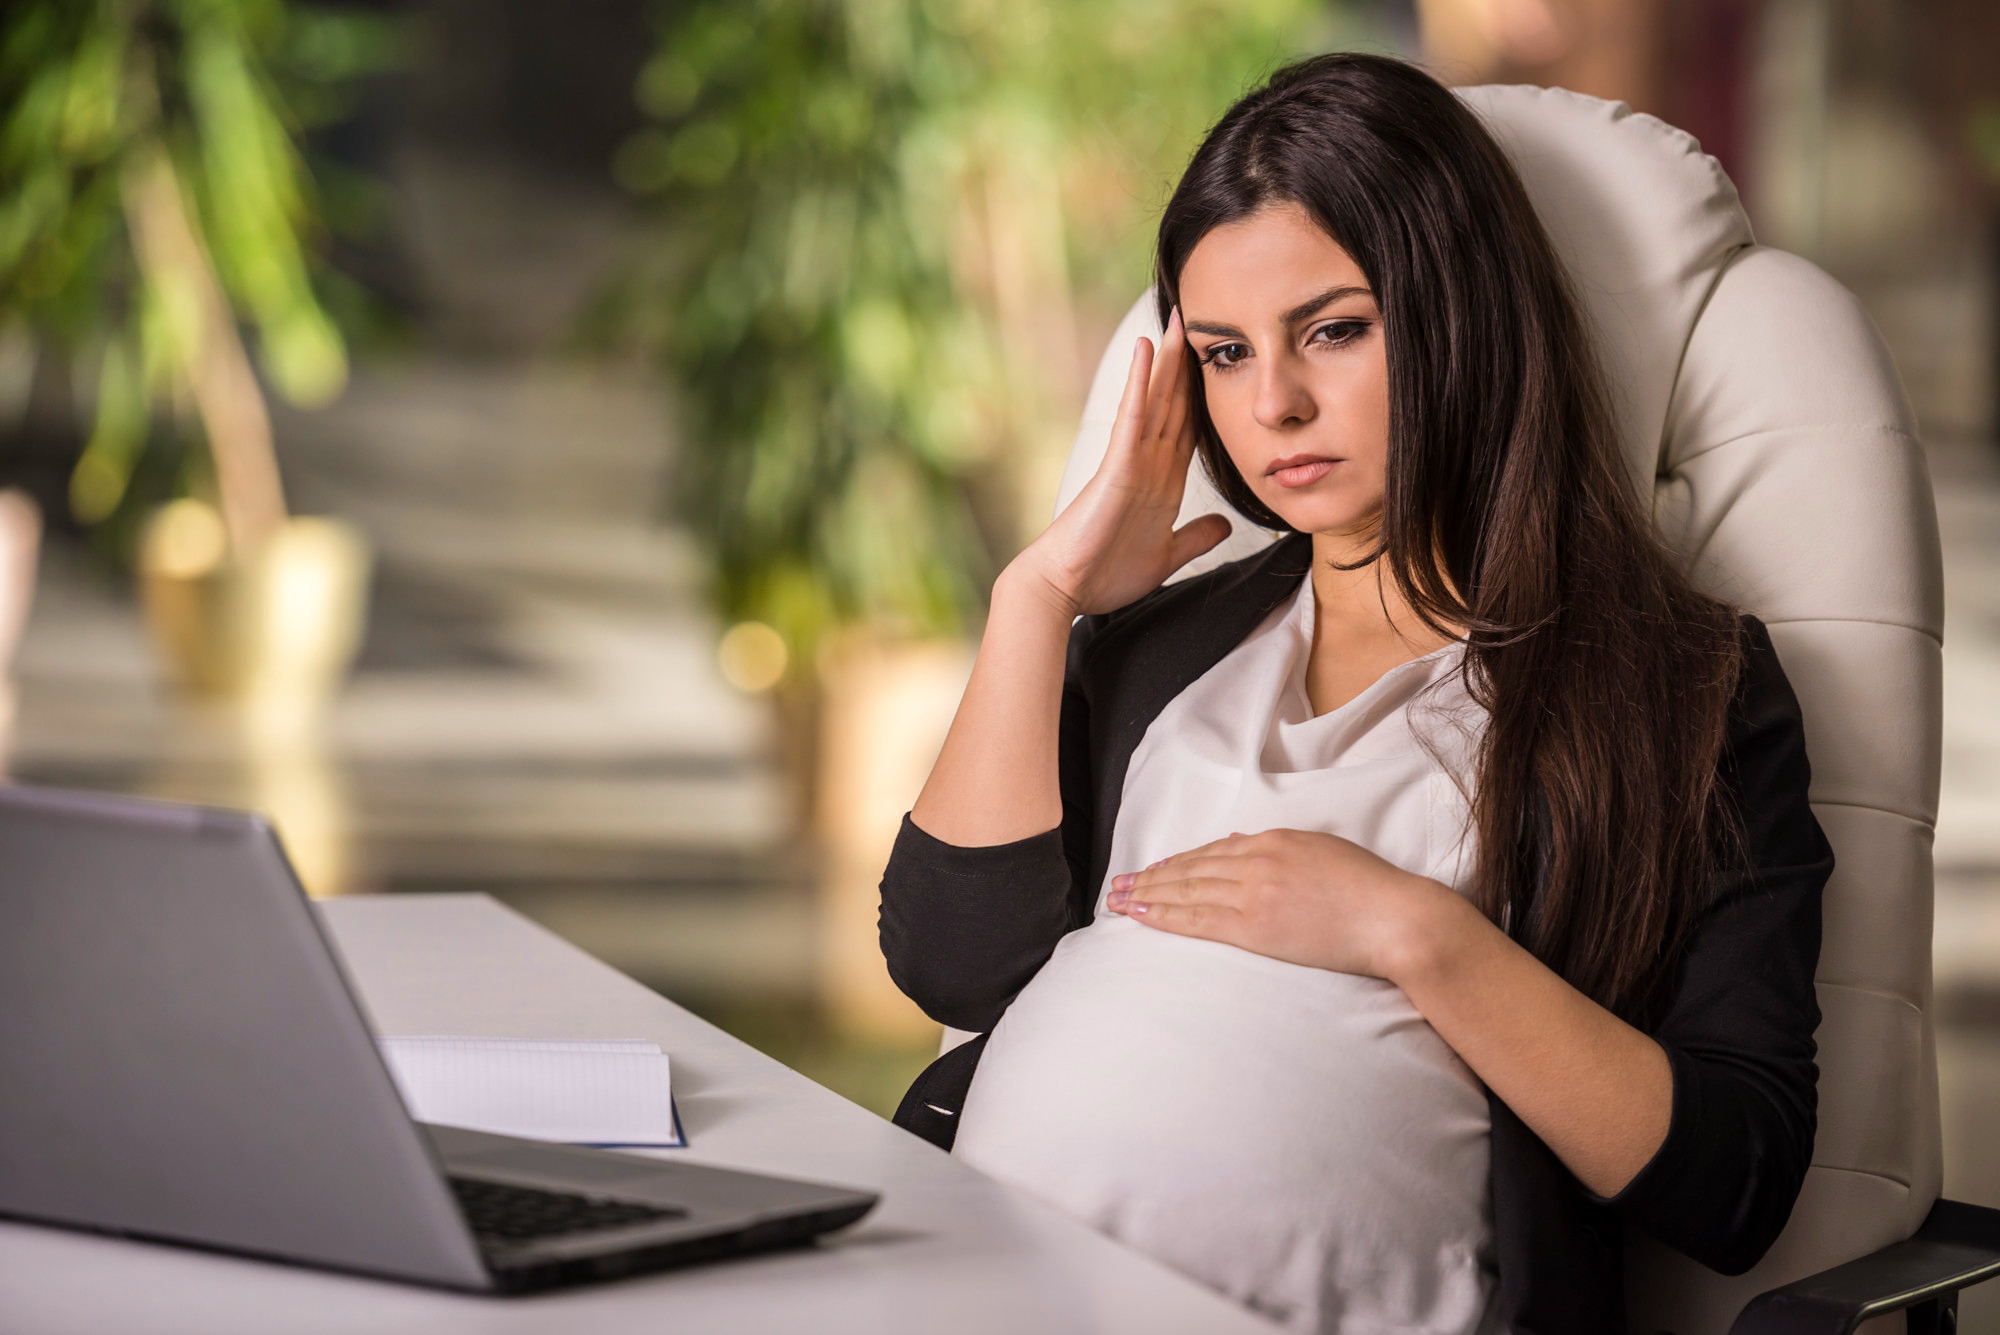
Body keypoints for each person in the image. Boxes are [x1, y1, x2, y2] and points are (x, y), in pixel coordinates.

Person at [877, 52, 1829, 1335]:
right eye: (1222, 353)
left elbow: (1738, 1182)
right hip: (971, 1285)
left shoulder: (1676, 688)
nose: (1270, 406)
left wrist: (1409, 932)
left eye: (1332, 329)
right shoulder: (1163, 644)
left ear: (1455, 310)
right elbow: (956, 966)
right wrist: (1037, 599)